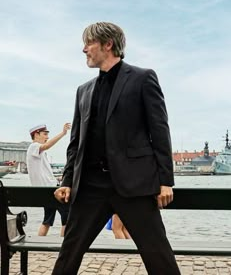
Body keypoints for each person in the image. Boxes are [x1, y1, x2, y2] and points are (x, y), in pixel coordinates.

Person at [52, 22, 180, 274]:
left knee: (159, 257)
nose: (84, 49)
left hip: (134, 187)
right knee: (68, 256)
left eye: (88, 43)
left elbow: (160, 131)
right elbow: (76, 142)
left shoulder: (143, 78)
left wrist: (166, 181)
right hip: (90, 187)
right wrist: (66, 180)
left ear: (108, 44)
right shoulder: (83, 91)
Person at [26, 123, 71, 236]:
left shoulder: (38, 152)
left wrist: (59, 178)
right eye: (45, 134)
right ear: (36, 134)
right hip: (51, 190)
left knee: (48, 220)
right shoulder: (34, 146)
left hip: (45, 190)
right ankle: (64, 245)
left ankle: (38, 244)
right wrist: (63, 133)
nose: (47, 137)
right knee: (68, 216)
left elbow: (43, 173)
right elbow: (47, 146)